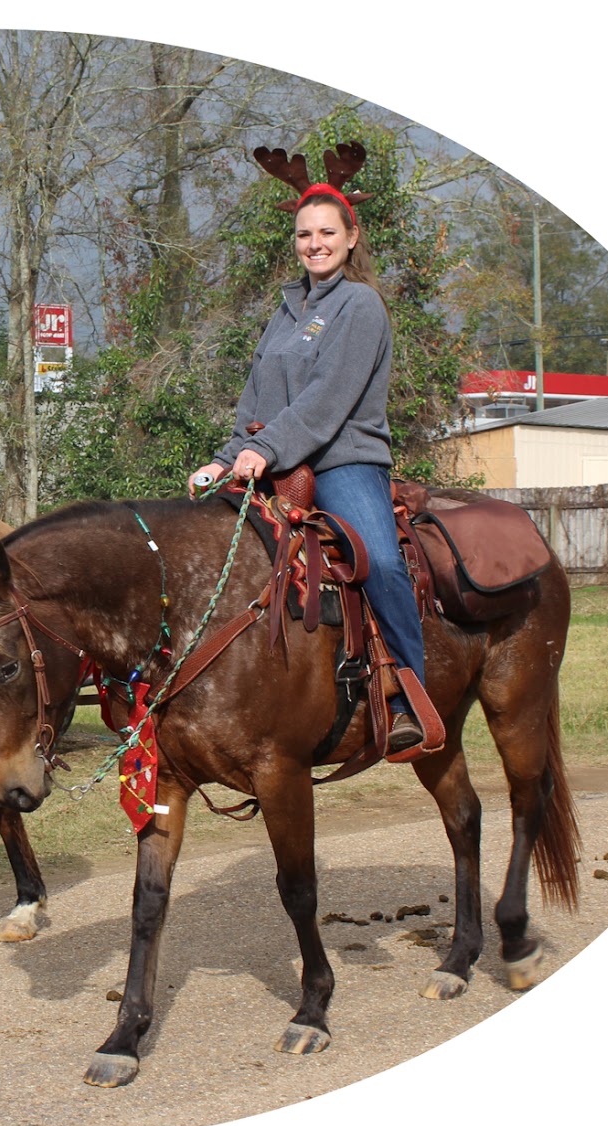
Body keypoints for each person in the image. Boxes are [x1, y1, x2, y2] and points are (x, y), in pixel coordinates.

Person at [188, 155, 427, 754]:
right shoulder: (287, 311)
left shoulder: (361, 306)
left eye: (327, 233)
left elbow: (327, 403)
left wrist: (262, 450)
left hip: (344, 460)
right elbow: (255, 401)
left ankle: (409, 692)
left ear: (351, 237)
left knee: (379, 559)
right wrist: (227, 456)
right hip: (276, 460)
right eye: (304, 234)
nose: (314, 244)